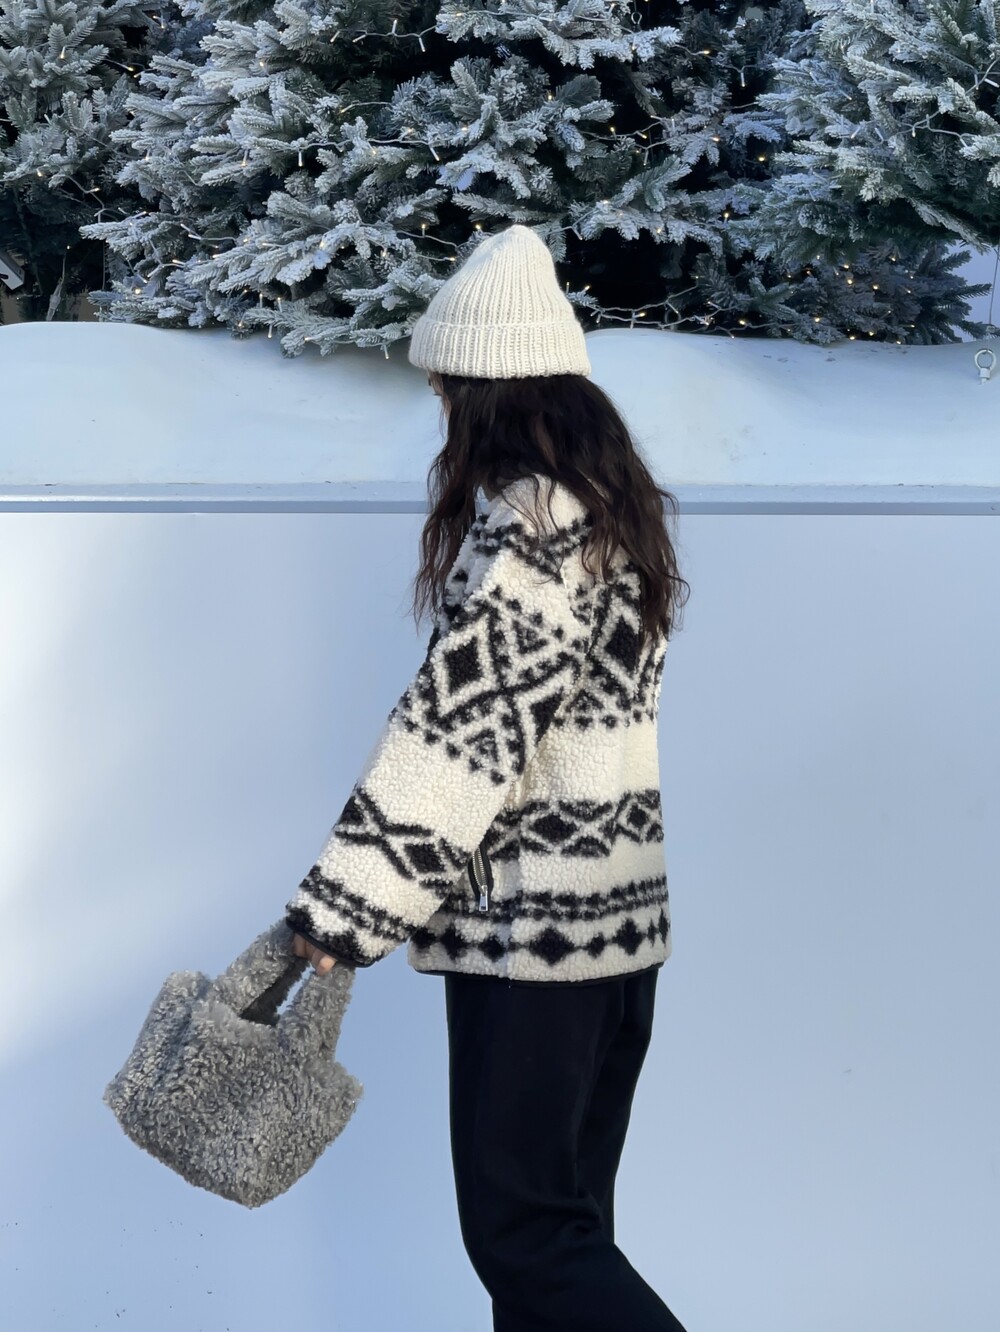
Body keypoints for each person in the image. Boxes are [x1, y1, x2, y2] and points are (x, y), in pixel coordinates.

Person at [289, 223, 691, 1331]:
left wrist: (344, 913)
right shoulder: (611, 512)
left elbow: (461, 740)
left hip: (534, 938)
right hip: (615, 934)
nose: (438, 408)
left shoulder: (529, 525)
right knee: (566, 1235)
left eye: (444, 388)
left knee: (528, 1238)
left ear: (482, 391)